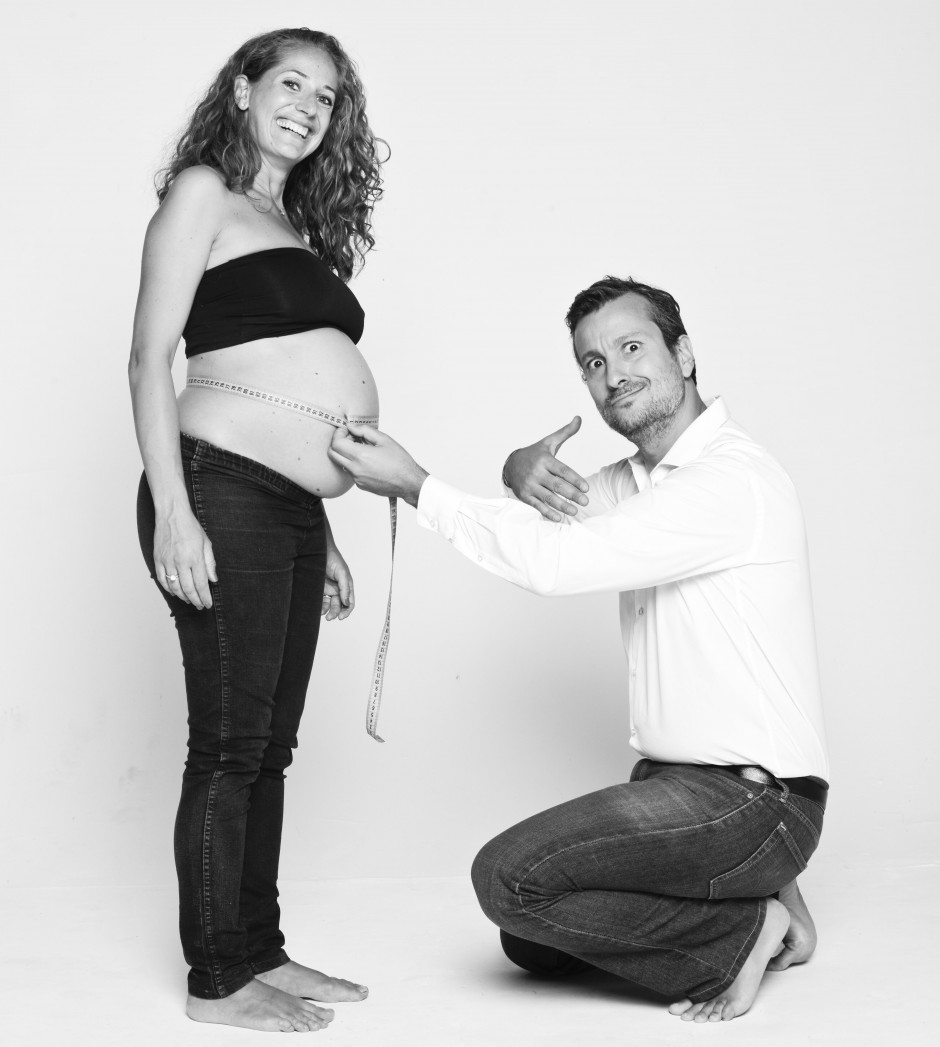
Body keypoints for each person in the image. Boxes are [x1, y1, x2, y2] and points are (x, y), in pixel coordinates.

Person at [328, 276, 829, 1023]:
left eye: (631, 347)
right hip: (685, 785)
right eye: (593, 362)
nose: (613, 374)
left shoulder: (730, 480)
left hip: (754, 802)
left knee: (507, 880)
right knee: (531, 941)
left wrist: (414, 484)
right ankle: (763, 897)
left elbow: (554, 564)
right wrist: (514, 469)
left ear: (684, 354)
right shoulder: (637, 482)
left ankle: (745, 929)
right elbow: (542, 525)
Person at [129, 28, 385, 1033]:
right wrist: (175, 512)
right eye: (291, 83)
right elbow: (149, 359)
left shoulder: (295, 226)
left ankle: (259, 950)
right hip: (215, 489)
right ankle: (217, 981)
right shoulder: (203, 193)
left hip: (286, 508)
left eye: (327, 98)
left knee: (270, 747)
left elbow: (297, 390)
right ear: (242, 90)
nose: (308, 108)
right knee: (230, 744)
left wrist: (325, 528)